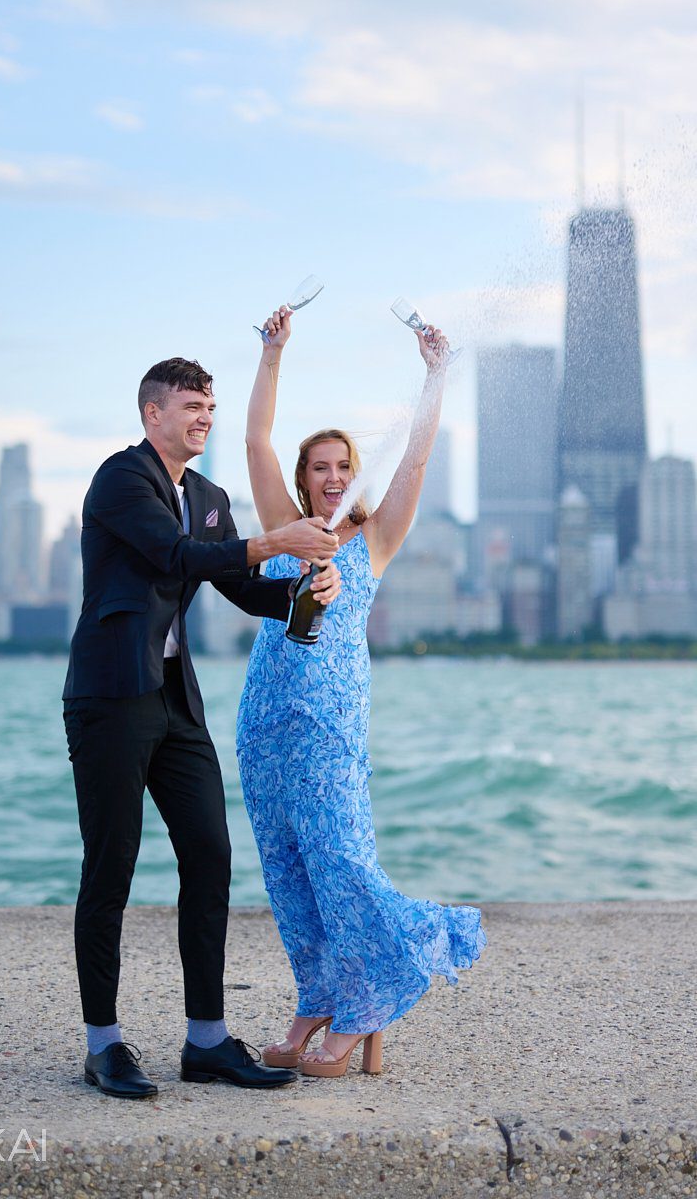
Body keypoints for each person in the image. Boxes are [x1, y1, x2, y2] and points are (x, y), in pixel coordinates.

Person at [63, 356, 342, 1098]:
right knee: (110, 868)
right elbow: (175, 555)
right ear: (152, 413)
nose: (204, 417)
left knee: (210, 859)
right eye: (191, 405)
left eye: (209, 406)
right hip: (110, 697)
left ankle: (207, 1041)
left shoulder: (211, 496)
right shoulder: (121, 479)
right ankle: (103, 1046)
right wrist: (280, 539)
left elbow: (244, 587)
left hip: (174, 703)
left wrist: (312, 590)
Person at [236, 309, 486, 1079]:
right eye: (319, 467)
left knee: (340, 862)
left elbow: (415, 457)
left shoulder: (373, 536)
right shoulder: (286, 527)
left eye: (343, 466)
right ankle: (317, 999)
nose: (333, 477)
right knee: (288, 873)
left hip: (329, 728)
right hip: (263, 723)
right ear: (305, 477)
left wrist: (434, 375)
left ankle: (377, 990)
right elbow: (252, 443)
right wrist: (273, 353)